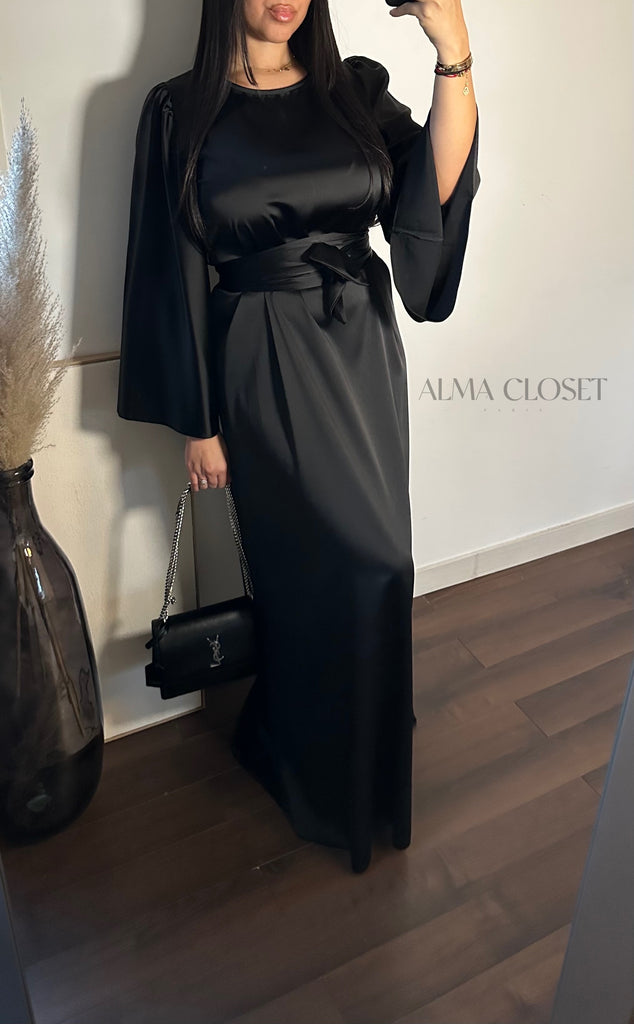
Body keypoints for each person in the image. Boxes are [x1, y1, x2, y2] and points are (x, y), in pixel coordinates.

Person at [117, 0, 480, 873]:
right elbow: (169, 267)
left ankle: (354, 744)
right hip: (260, 353)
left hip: (361, 344)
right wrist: (199, 424)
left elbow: (432, 190)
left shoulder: (351, 89)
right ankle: (312, 766)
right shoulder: (179, 110)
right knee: (327, 569)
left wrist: (454, 53)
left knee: (382, 562)